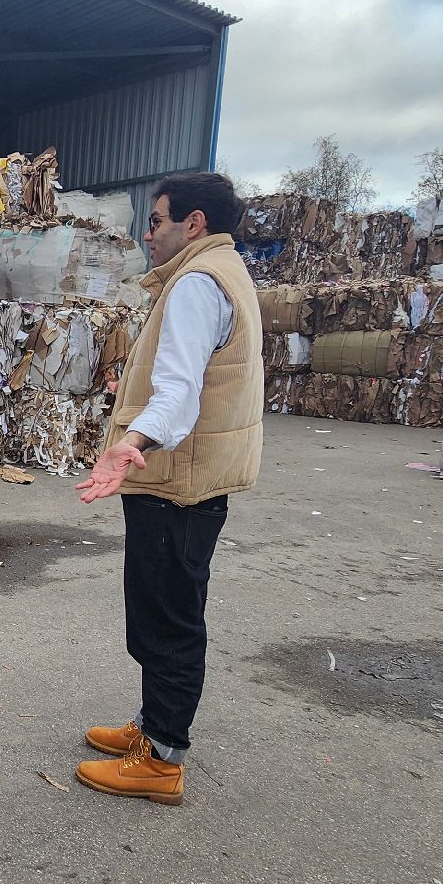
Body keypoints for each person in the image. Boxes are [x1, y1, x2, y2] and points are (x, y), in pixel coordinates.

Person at [72, 171, 263, 807]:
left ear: (195, 223)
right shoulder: (224, 273)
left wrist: (135, 444)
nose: (147, 235)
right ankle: (154, 728)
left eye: (155, 222)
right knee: (166, 606)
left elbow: (177, 390)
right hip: (191, 477)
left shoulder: (196, 284)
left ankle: (162, 758)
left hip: (175, 481)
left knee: (168, 616)